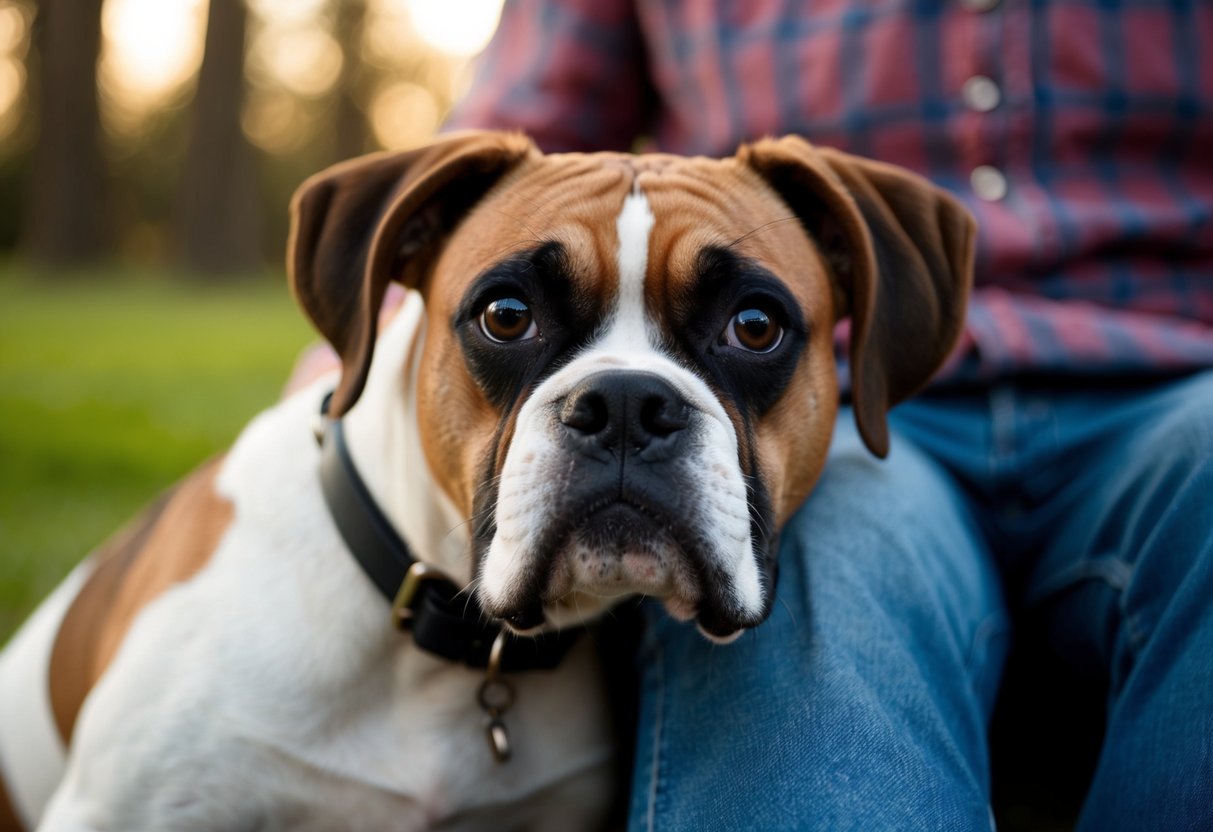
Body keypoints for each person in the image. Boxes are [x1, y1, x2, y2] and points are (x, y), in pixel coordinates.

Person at [296, 2, 1213, 828]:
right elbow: (518, 141)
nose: (626, 413)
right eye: (508, 321)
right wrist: (348, 357)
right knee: (822, 573)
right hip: (864, 420)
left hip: (1175, 375)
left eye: (749, 321)